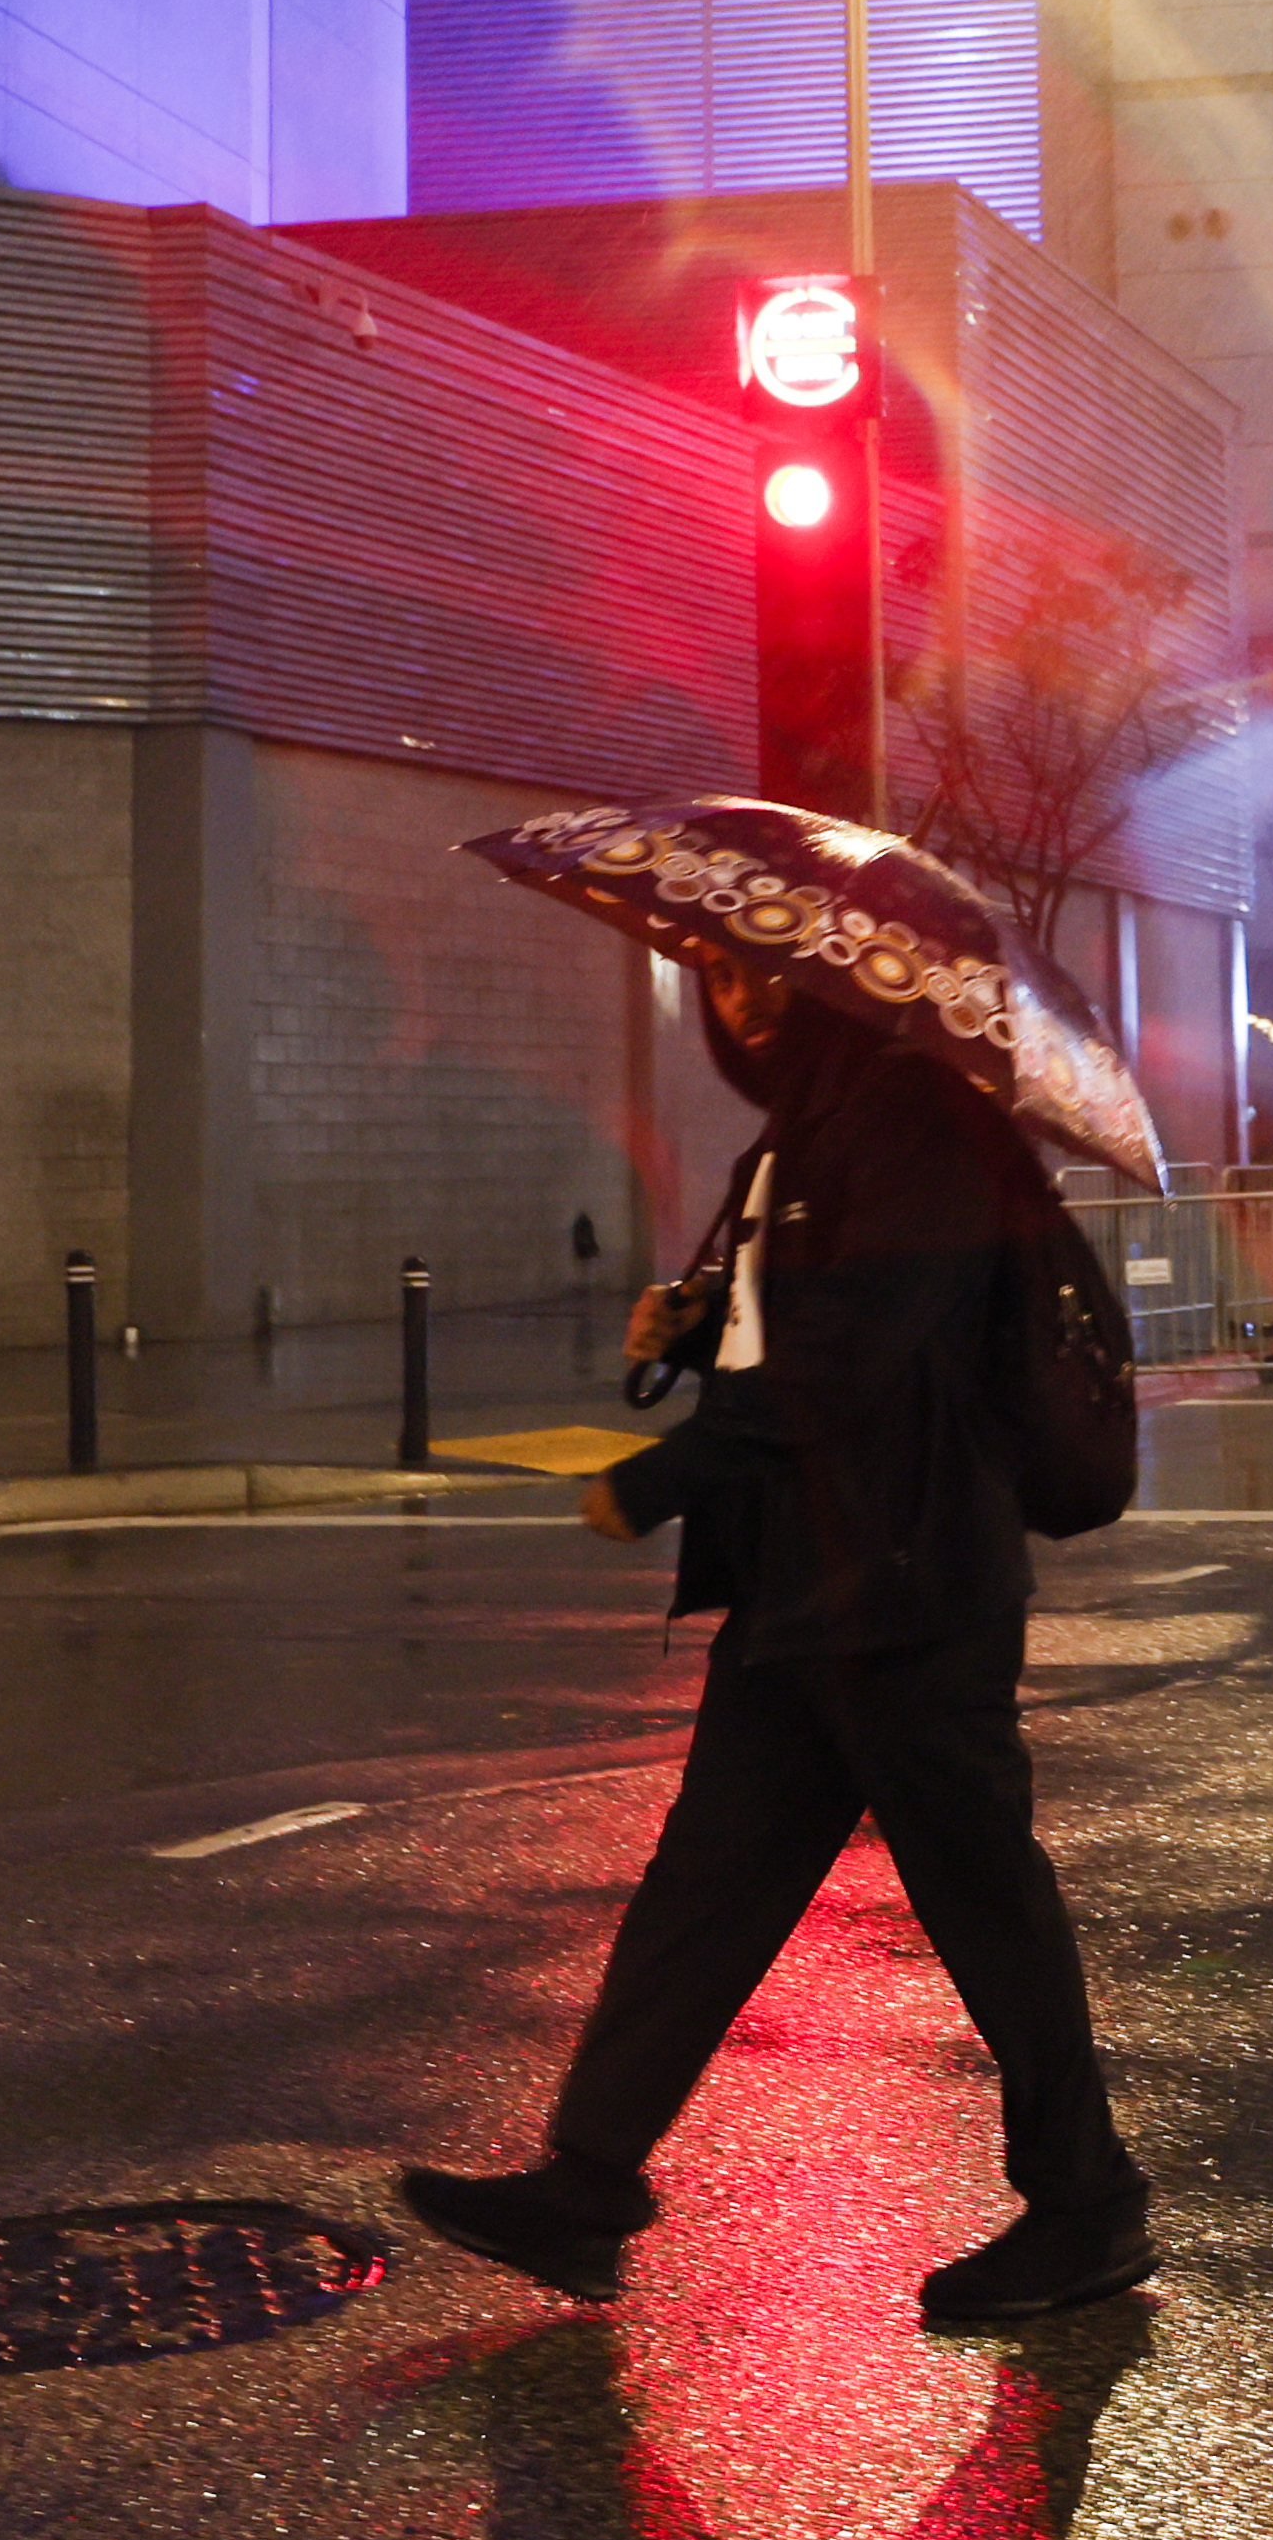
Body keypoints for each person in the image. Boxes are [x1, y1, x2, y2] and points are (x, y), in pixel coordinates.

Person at [401, 943, 1155, 2327]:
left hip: (911, 1589)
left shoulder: (914, 1113)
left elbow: (846, 1352)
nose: (726, 1000)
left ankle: (1087, 2202)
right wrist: (692, 1330)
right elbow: (792, 1323)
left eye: (748, 976)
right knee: (709, 1882)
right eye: (710, 977)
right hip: (809, 1589)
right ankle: (589, 2178)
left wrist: (662, 1475)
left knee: (984, 1895)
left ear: (817, 982)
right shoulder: (813, 1124)